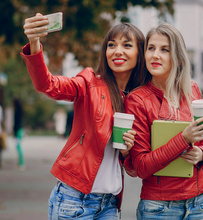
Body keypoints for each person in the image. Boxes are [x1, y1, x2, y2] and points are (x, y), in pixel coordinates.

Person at [22, 12, 146, 219]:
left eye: (127, 45)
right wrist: (34, 41)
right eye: (111, 45)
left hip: (109, 203)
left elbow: (134, 168)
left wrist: (126, 152)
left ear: (140, 54)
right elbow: (48, 84)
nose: (117, 51)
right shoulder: (89, 82)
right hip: (74, 199)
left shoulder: (138, 99)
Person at [124, 23, 203, 220]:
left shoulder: (192, 90)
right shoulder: (137, 100)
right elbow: (141, 167)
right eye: (151, 48)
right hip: (159, 208)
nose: (155, 55)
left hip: (198, 203)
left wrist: (202, 153)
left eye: (164, 49)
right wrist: (183, 139)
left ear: (178, 57)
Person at [13, 97, 25, 170]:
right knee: (18, 147)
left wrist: (14, 131)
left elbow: (16, 123)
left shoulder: (17, 111)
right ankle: (20, 162)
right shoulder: (20, 111)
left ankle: (21, 163)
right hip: (20, 130)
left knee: (18, 147)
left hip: (18, 130)